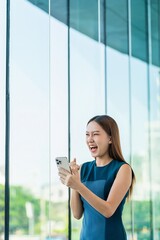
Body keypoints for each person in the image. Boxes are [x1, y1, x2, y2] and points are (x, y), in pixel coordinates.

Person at [58, 115, 135, 240]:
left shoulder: (123, 169)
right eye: (87, 134)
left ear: (110, 138)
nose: (90, 139)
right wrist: (73, 184)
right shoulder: (83, 168)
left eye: (95, 134)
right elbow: (77, 214)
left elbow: (108, 210)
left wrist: (78, 185)